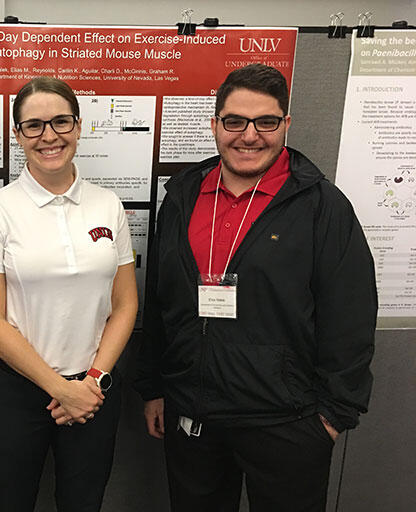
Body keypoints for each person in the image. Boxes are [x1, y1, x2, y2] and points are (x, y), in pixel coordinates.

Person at [135, 63, 377, 511]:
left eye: (265, 122)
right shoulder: (184, 195)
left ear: (285, 124)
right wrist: (154, 387)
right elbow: (159, 298)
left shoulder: (322, 207)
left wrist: (331, 417)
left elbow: (351, 316)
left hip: (287, 421)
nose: (249, 136)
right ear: (215, 125)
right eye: (234, 122)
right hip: (194, 414)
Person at [0, 76, 138, 512]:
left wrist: (92, 381)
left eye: (61, 122)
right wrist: (60, 389)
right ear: (18, 134)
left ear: (79, 127)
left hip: (94, 388)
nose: (49, 136)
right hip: (17, 392)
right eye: (34, 125)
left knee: (84, 503)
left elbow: (125, 305)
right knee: (10, 503)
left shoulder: (108, 205)